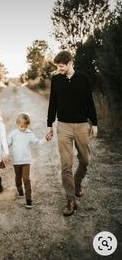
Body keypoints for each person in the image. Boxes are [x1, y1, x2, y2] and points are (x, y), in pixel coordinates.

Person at [46, 50, 98, 216]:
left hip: (82, 125)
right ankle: (70, 199)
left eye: (61, 67)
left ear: (69, 63)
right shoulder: (56, 80)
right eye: (58, 67)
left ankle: (77, 183)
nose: (59, 70)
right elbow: (53, 102)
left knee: (85, 160)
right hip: (64, 127)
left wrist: (94, 123)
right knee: (66, 164)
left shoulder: (83, 78)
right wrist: (49, 125)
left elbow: (90, 102)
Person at [7, 113, 46, 209]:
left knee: (26, 179)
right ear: (17, 124)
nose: (23, 128)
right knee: (18, 177)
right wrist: (3, 153)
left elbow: (37, 143)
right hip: (16, 161)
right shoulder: (13, 133)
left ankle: (29, 199)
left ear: (28, 125)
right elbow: (6, 144)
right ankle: (20, 189)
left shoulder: (29, 133)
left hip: (26, 161)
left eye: (25, 126)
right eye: (21, 126)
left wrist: (46, 139)